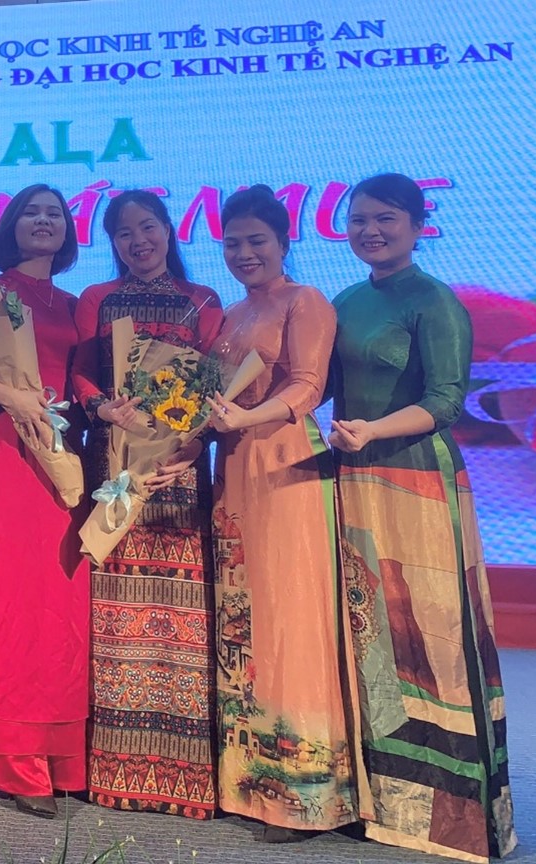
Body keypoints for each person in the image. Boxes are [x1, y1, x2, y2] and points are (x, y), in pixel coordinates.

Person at [330, 173, 516, 862]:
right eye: (359, 220)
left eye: (386, 219)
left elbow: (446, 401)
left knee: (434, 640)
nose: (371, 231)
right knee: (367, 634)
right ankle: (377, 801)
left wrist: (373, 431)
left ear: (416, 225)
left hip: (417, 482)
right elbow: (317, 386)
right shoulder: (345, 302)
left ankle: (454, 821)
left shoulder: (434, 301)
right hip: (355, 479)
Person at [206, 184, 355, 842]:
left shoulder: (306, 300)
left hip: (286, 463)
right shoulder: (231, 313)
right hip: (234, 469)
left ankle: (305, 794)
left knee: (291, 618)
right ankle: (247, 783)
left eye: (256, 241)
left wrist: (247, 418)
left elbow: (307, 385)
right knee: (246, 618)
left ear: (284, 240)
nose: (244, 253)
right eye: (232, 243)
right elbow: (209, 396)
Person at [70, 190, 223, 817]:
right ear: (112, 242)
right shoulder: (96, 299)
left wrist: (192, 445)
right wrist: (100, 407)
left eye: (148, 227)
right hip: (113, 464)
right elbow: (80, 376)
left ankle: (184, 776)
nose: (139, 241)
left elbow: (215, 386)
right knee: (111, 599)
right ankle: (111, 769)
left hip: (179, 471)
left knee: (181, 609)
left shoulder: (203, 301)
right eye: (124, 232)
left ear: (168, 230)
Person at [0, 184, 90, 819]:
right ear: (12, 224)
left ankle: (61, 756)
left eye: (54, 213)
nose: (44, 221)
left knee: (60, 604)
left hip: (63, 459)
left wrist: (96, 404)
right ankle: (10, 758)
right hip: (8, 453)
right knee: (9, 602)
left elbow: (85, 376)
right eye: (32, 212)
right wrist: (10, 397)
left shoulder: (76, 304)